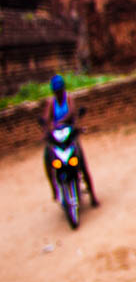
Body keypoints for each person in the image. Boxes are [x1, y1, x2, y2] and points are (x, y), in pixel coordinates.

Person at [39, 74, 98, 207]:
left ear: (63, 89)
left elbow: (72, 113)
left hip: (68, 134)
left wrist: (62, 122)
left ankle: (93, 195)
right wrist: (46, 129)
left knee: (81, 161)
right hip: (57, 136)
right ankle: (54, 187)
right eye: (56, 91)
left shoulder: (69, 99)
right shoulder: (51, 102)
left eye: (60, 91)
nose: (59, 93)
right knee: (47, 157)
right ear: (54, 91)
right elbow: (46, 118)